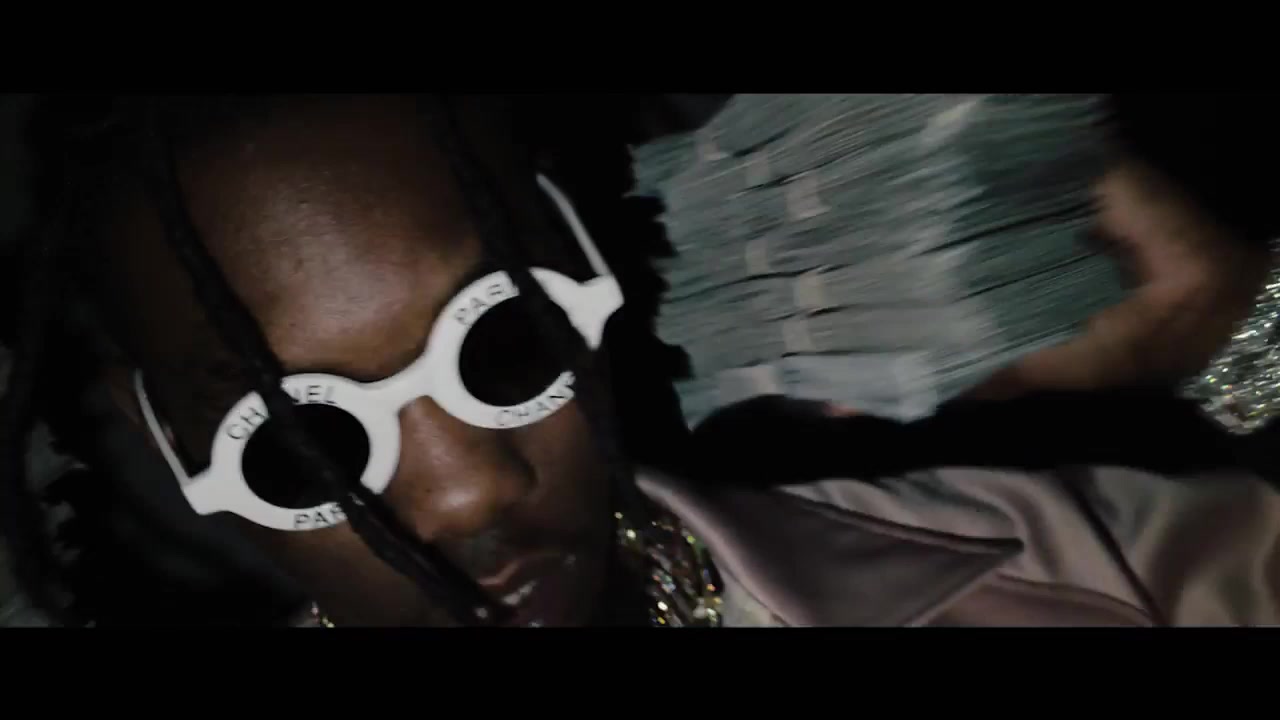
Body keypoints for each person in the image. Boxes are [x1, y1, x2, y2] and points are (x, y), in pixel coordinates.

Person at [2, 93, 1277, 627]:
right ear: (170, 446)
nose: (471, 492)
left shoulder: (1058, 556)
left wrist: (1236, 330)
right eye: (302, 443)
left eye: (500, 341)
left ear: (580, 264)